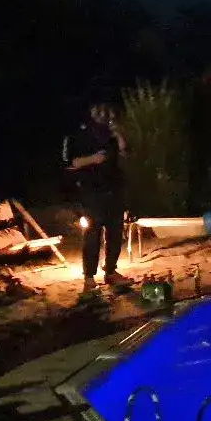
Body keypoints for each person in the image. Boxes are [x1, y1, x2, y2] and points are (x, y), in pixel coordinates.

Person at [63, 101, 132, 291]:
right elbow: (70, 162)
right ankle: (89, 277)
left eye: (106, 110)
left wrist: (118, 135)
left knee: (115, 233)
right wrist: (93, 159)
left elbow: (125, 153)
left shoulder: (110, 133)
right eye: (99, 110)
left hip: (114, 189)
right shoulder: (78, 133)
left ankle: (111, 271)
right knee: (93, 235)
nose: (103, 114)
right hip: (92, 192)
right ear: (91, 111)